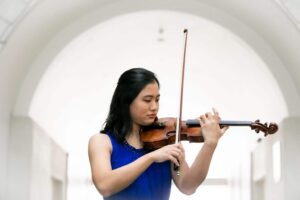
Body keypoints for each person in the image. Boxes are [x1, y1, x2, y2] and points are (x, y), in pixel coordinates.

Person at [88, 68, 228, 200]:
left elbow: (188, 186)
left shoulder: (166, 142)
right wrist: (151, 157)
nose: (154, 107)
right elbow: (105, 186)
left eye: (157, 99)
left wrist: (210, 144)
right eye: (147, 100)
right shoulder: (101, 142)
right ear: (126, 101)